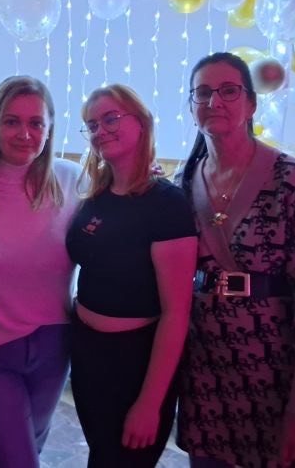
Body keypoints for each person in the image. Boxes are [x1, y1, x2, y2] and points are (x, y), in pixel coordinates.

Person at [174, 52, 295, 468]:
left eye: (228, 91)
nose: (214, 101)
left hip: (272, 371)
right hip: (204, 373)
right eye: (202, 93)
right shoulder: (183, 181)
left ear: (251, 104)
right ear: (191, 106)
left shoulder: (292, 180)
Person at [0, 76, 82, 468]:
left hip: (54, 349)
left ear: (50, 129)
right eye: (12, 121)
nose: (24, 134)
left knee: (29, 450)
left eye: (36, 123)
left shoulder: (73, 179)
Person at [65, 84, 198, 467]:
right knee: (101, 455)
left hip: (135, 363)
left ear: (141, 123)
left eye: (111, 119)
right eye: (92, 125)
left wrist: (150, 403)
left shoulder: (167, 204)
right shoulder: (95, 196)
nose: (100, 131)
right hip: (87, 354)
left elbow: (176, 314)